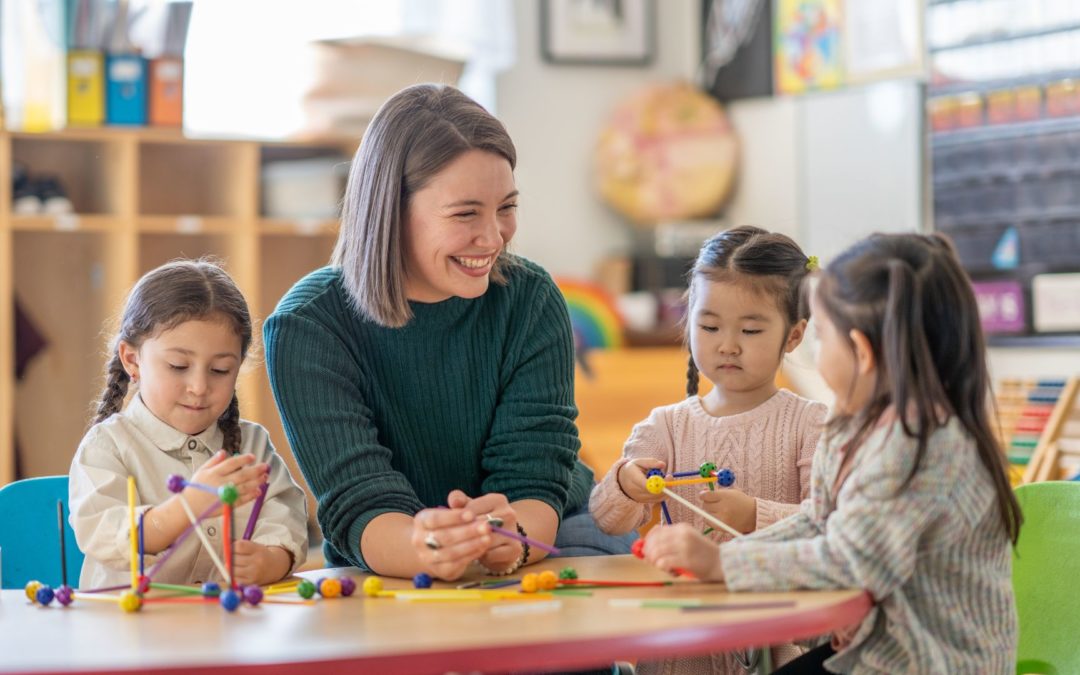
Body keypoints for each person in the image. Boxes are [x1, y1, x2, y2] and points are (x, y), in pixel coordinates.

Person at [263, 83, 634, 582]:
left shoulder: (530, 298)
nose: (494, 236)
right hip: (394, 560)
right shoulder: (307, 326)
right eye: (465, 213)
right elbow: (358, 503)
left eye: (506, 207)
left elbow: (536, 479)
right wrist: (431, 549)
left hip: (557, 535)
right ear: (390, 211)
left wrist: (510, 542)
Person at [642, 233, 1022, 674]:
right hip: (875, 651)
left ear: (860, 352)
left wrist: (725, 563)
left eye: (822, 335)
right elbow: (818, 521)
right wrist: (720, 561)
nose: (814, 348)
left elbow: (850, 562)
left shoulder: (923, 445)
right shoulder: (853, 426)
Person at [590, 225, 827, 672]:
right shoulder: (666, 426)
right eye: (710, 325)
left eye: (751, 330)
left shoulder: (810, 424)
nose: (728, 344)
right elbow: (606, 520)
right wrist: (625, 483)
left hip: (774, 645)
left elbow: (834, 524)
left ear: (793, 336)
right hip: (680, 649)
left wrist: (755, 514)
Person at [70, 260, 308, 588]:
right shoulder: (107, 446)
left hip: (222, 627)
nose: (199, 386)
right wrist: (189, 505)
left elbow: (286, 518)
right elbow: (104, 533)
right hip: (126, 629)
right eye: (178, 365)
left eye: (221, 370)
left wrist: (271, 559)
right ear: (132, 359)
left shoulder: (252, 446)